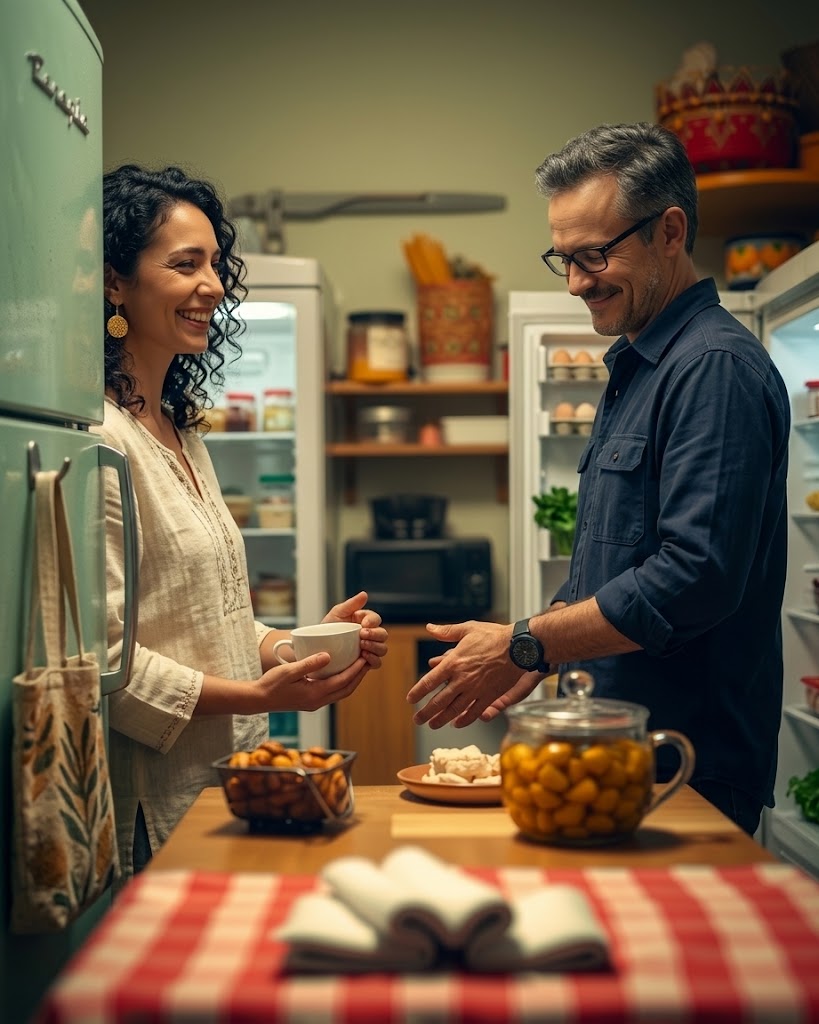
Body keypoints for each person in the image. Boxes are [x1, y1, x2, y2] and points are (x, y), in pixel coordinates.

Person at [407, 122, 789, 836]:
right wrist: (534, 644)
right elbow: (617, 558)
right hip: (622, 759)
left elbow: (693, 575)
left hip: (686, 770)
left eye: (594, 255)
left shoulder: (711, 368)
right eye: (564, 258)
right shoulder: (640, 365)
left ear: (668, 231)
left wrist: (528, 642)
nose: (578, 282)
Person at [96, 163, 389, 879]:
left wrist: (296, 649)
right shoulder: (102, 438)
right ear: (114, 283)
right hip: (147, 803)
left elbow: (207, 615)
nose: (214, 286)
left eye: (216, 265)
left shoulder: (178, 429)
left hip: (223, 781)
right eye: (184, 264)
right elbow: (101, 660)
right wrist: (257, 696)